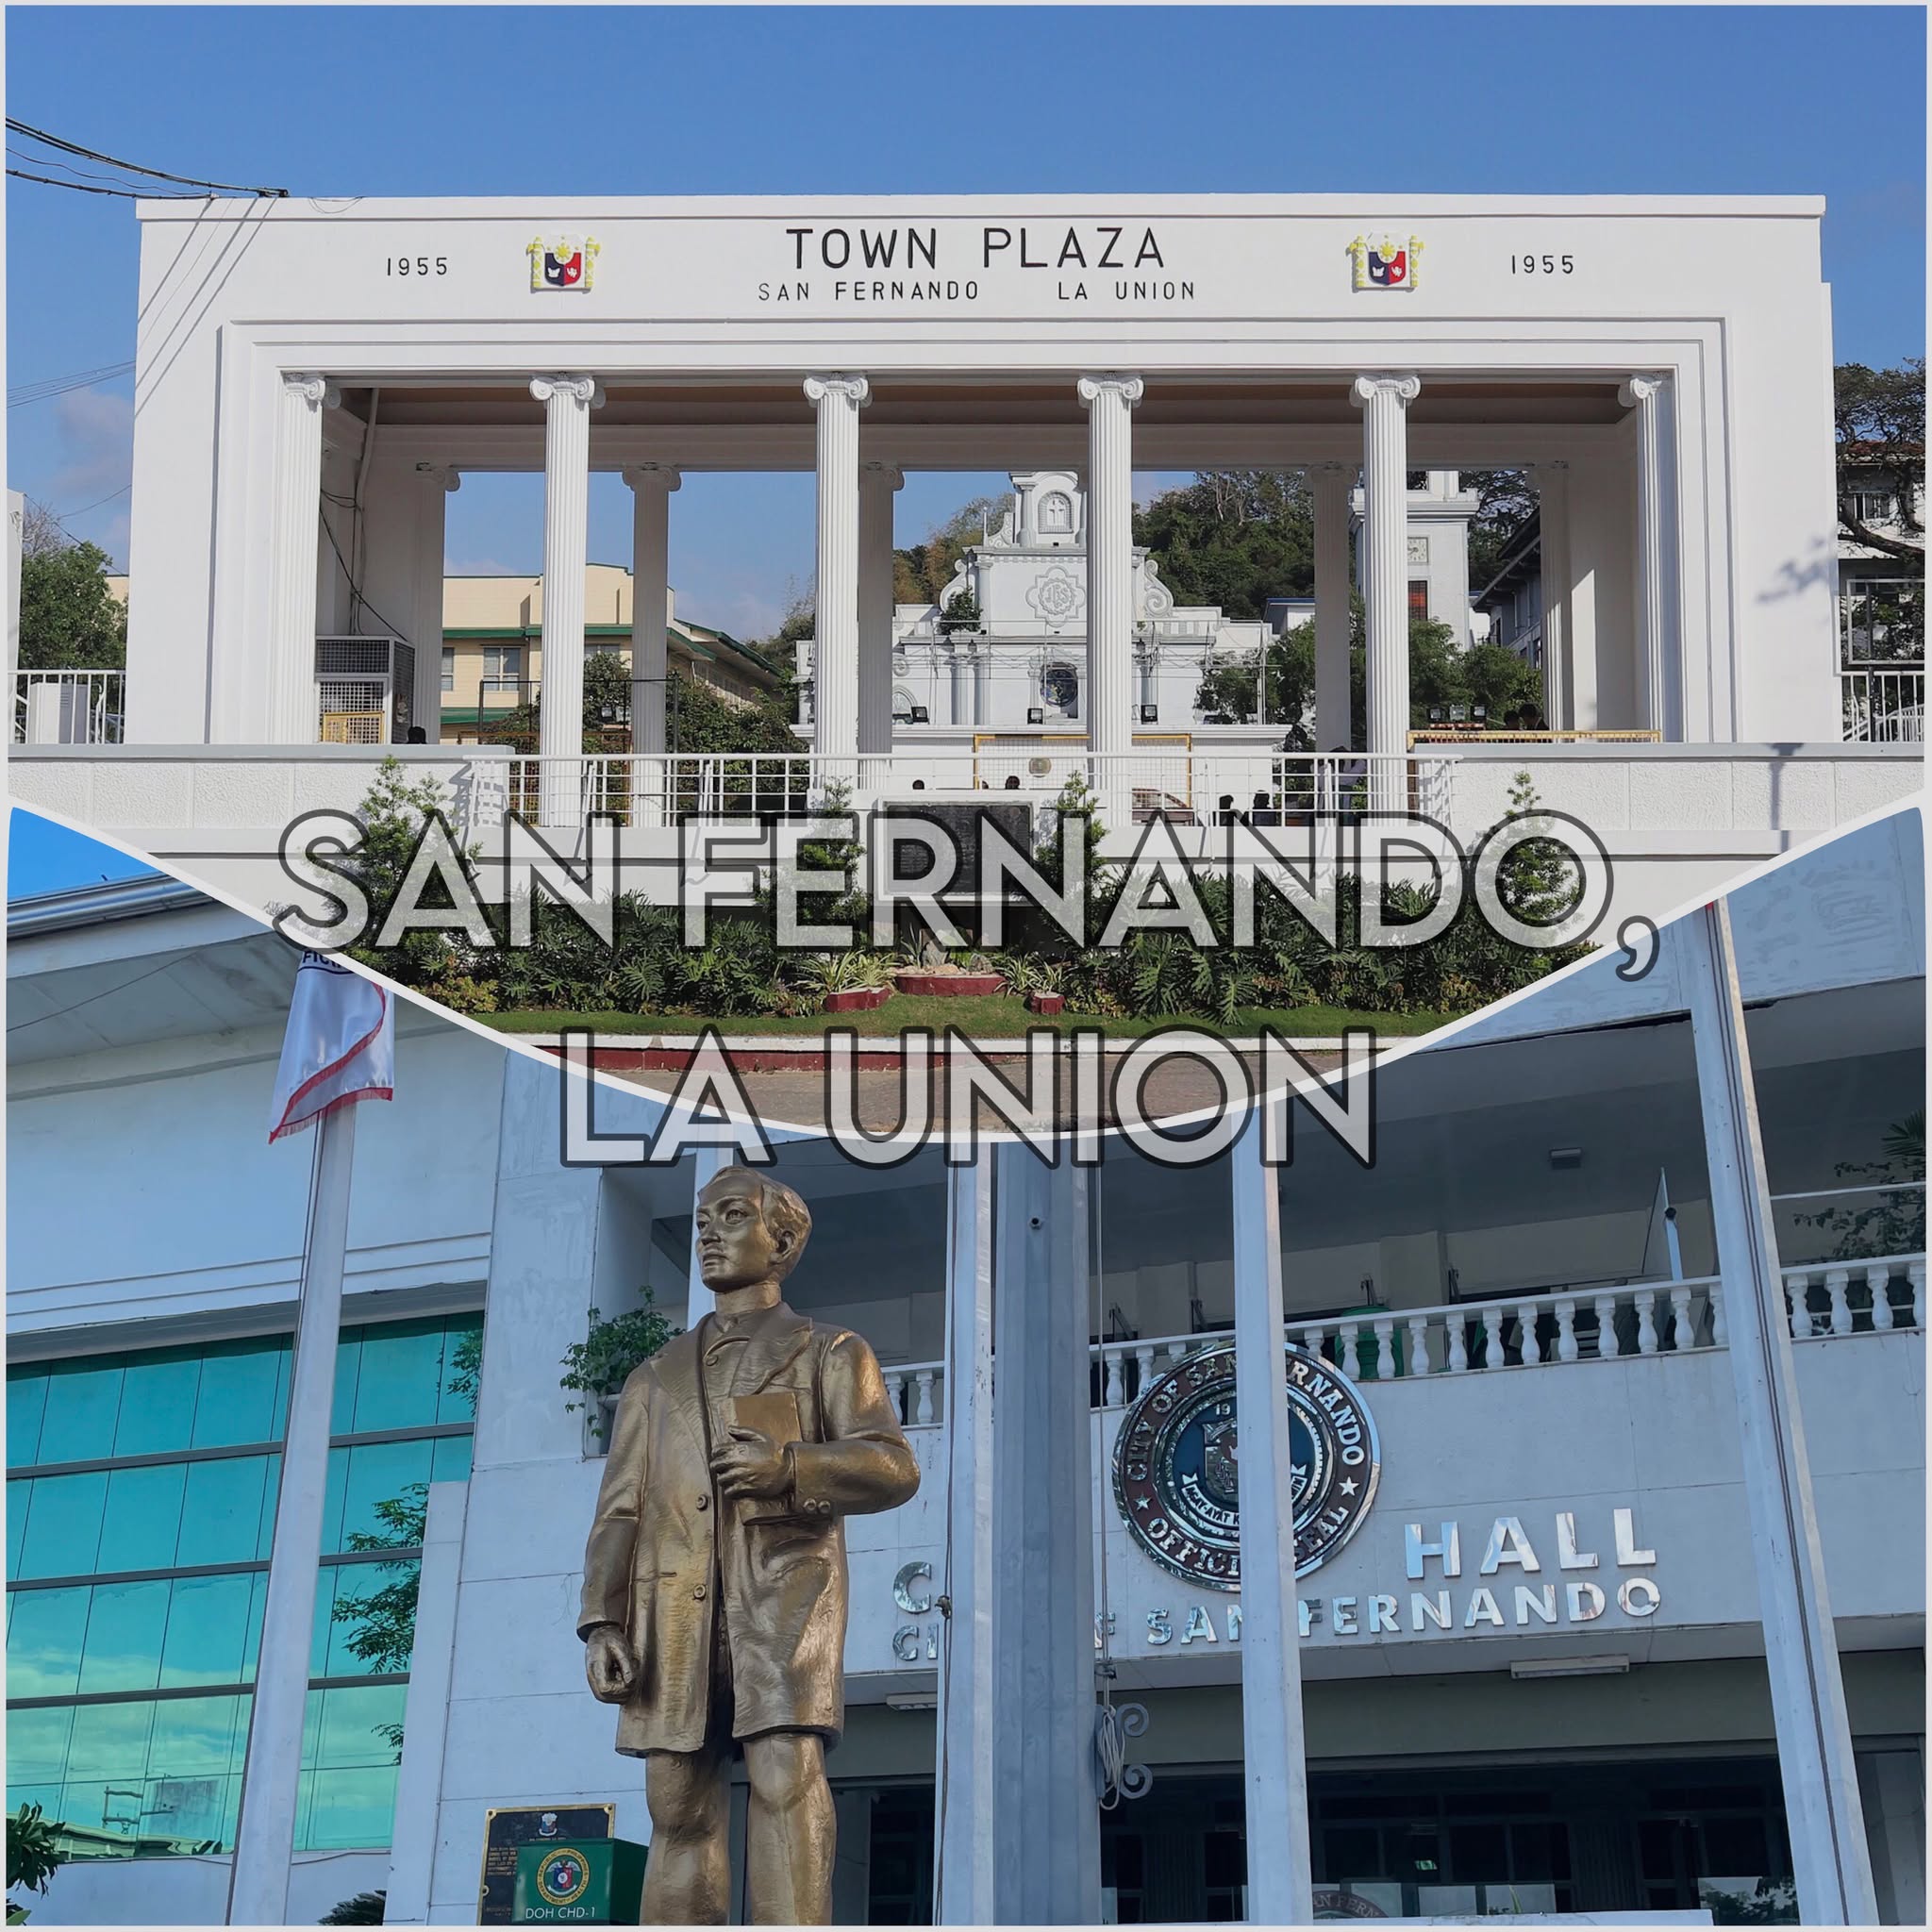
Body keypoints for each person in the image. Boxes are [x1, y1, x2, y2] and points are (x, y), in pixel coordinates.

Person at [578, 1168, 919, 1924]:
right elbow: (619, 1514)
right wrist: (602, 1621)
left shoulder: (829, 1350)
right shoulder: (652, 1378)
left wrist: (792, 1466)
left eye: (732, 1216)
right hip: (669, 1612)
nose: (709, 1232)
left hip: (784, 1596)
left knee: (784, 1781)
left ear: (785, 1241)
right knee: (675, 1806)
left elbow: (893, 1466)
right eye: (703, 1219)